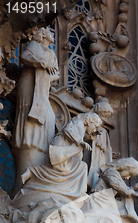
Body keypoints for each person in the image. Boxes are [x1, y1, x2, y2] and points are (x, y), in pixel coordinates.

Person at [13, 111, 102, 210]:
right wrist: (80, 142)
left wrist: (86, 139)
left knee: (78, 167)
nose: (94, 130)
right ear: (89, 122)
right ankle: (34, 172)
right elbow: (68, 130)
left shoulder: (81, 127)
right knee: (66, 168)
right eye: (95, 127)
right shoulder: (78, 123)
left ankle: (79, 192)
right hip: (60, 147)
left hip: (65, 151)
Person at [12, 27, 59, 195]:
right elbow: (24, 57)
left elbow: (56, 74)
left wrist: (48, 73)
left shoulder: (52, 53)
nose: (52, 34)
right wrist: (42, 64)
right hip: (30, 86)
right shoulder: (34, 45)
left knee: (49, 118)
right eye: (49, 31)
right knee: (29, 117)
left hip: (43, 90)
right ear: (42, 34)